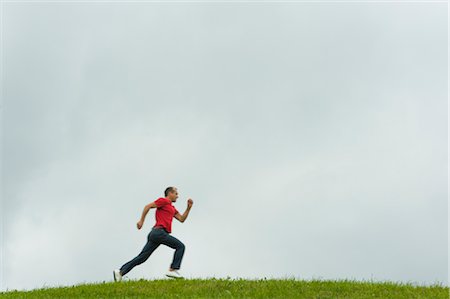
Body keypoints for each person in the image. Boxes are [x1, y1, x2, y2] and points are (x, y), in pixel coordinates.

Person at [113, 186, 193, 281]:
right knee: (180, 246)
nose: (177, 196)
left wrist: (188, 208)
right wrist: (141, 221)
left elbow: (181, 219)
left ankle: (120, 272)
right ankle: (173, 270)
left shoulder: (172, 208)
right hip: (159, 232)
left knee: (142, 257)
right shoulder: (164, 201)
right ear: (170, 193)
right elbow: (148, 206)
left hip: (156, 234)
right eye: (176, 194)